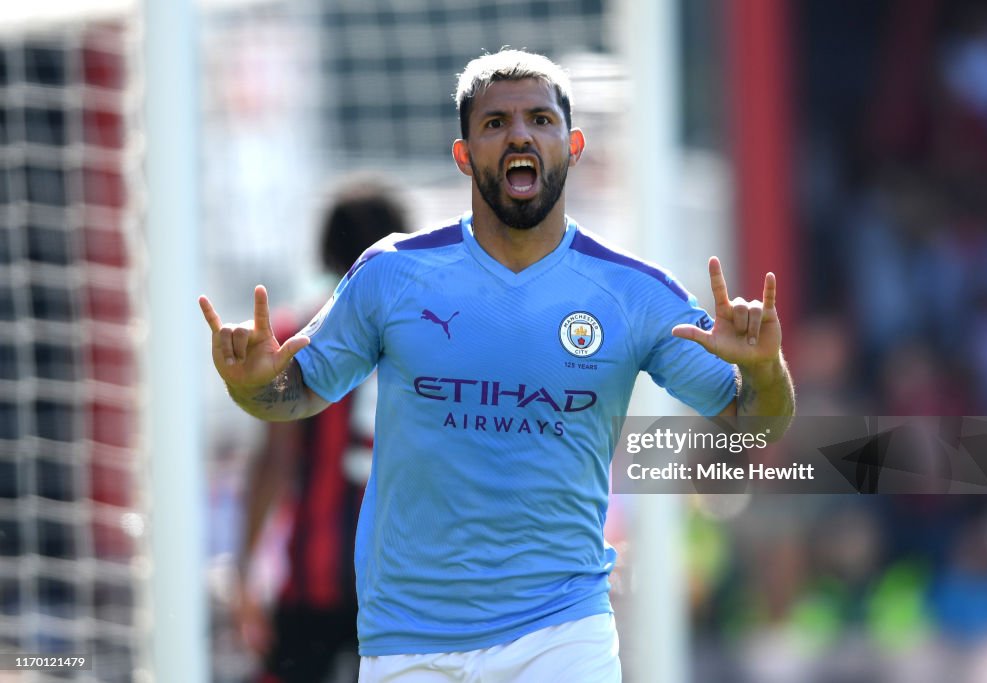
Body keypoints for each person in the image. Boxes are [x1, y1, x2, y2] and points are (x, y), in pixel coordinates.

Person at [200, 49, 795, 682]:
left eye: (540, 120)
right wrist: (253, 385)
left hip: (563, 632)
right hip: (409, 637)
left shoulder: (635, 293)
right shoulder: (392, 274)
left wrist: (763, 370)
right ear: (463, 154)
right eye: (495, 123)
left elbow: (757, 423)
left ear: (573, 144)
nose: (519, 134)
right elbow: (294, 398)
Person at [233, 178, 410, 683]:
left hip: (313, 584)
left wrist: (244, 569)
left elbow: (274, 460)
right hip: (401, 591)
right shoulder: (427, 339)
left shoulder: (294, 338)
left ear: (327, 250)